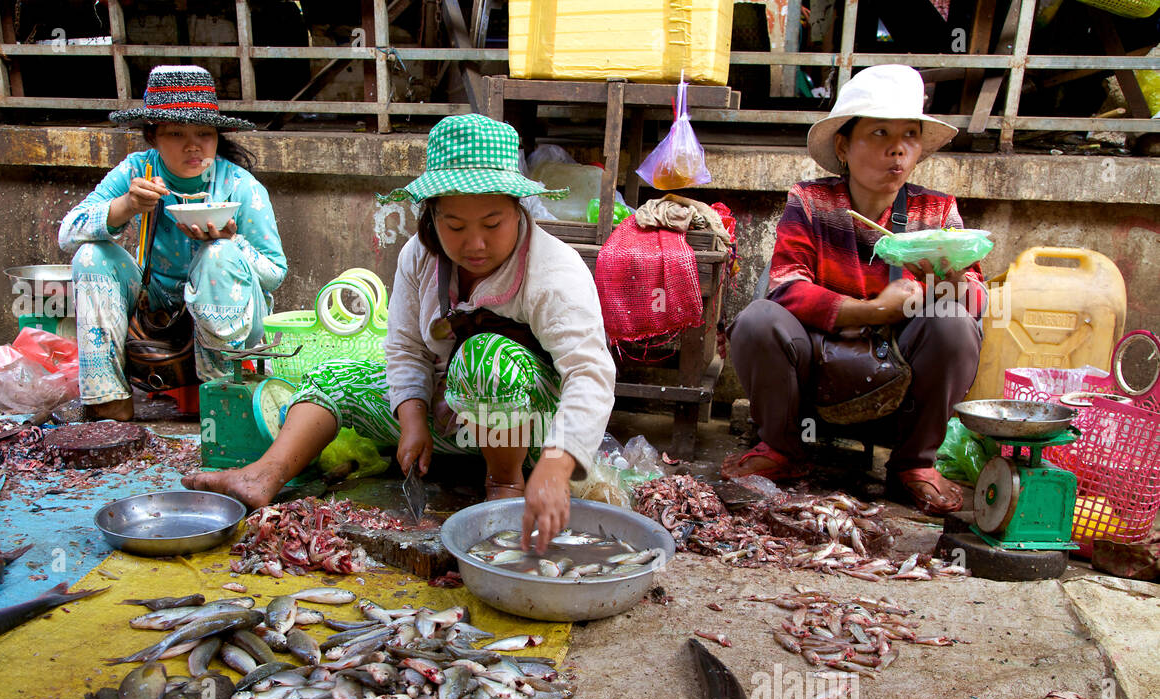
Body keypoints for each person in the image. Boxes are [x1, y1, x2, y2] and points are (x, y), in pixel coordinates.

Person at [186, 113, 617, 551]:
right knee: (333, 376)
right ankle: (264, 475)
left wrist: (558, 465)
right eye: (455, 226)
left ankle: (503, 485)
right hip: (456, 423)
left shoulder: (554, 269)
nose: (475, 244)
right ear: (431, 215)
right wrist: (411, 420)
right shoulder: (419, 256)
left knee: (485, 356)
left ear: (519, 209)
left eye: (492, 224)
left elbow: (590, 373)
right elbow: (406, 346)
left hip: (530, 434)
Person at [722, 64, 986, 515]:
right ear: (843, 146)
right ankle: (784, 449)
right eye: (879, 133)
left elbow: (979, 298)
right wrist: (875, 310)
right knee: (757, 320)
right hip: (818, 354)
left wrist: (953, 282)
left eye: (909, 136)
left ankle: (913, 464)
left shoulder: (936, 211)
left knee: (955, 325)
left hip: (900, 360)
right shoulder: (810, 201)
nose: (897, 150)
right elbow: (786, 288)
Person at [58, 65, 287, 421]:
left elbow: (274, 275)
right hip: (158, 312)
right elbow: (68, 233)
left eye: (204, 133)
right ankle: (108, 402)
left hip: (236, 320)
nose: (193, 145)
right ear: (152, 136)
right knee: (91, 254)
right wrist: (126, 206)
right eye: (176, 132)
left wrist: (232, 243)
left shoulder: (241, 186)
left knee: (219, 254)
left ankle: (223, 398)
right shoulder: (138, 171)